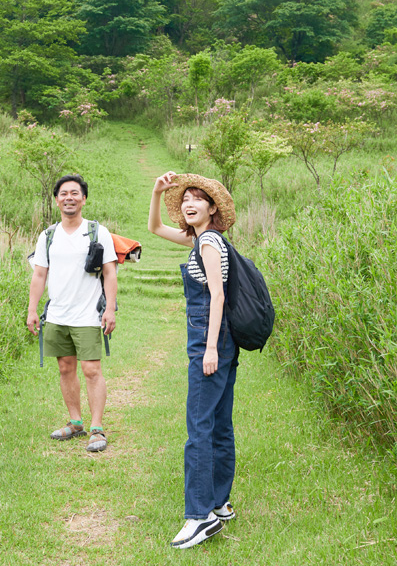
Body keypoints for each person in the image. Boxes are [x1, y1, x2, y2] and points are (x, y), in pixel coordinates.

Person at [148, 171, 240, 549]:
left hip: (209, 338)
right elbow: (154, 227)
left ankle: (199, 516)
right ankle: (219, 503)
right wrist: (157, 192)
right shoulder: (201, 238)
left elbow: (216, 297)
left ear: (212, 207)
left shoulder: (208, 244)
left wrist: (211, 348)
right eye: (184, 198)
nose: (188, 203)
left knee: (199, 427)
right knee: (219, 423)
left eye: (197, 198)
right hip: (222, 338)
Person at [27, 174, 118, 453]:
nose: (69, 197)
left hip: (88, 314)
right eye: (64, 193)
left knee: (91, 370)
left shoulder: (96, 231)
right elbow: (40, 273)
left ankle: (97, 428)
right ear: (57, 200)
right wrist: (32, 309)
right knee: (65, 368)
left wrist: (110, 308)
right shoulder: (48, 235)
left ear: (84, 199)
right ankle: (75, 422)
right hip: (57, 315)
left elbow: (109, 271)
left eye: (75, 193)